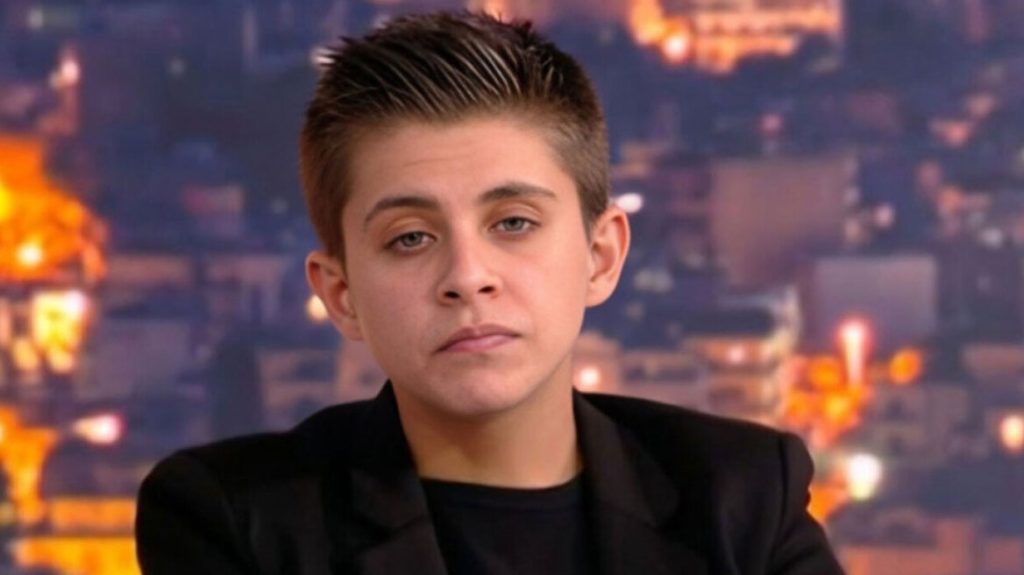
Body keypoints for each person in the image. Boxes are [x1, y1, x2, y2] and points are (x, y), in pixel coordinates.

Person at [135, 10, 845, 575]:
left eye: (513, 223)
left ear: (600, 256)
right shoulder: (238, 520)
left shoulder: (740, 498)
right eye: (410, 237)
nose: (467, 275)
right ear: (341, 293)